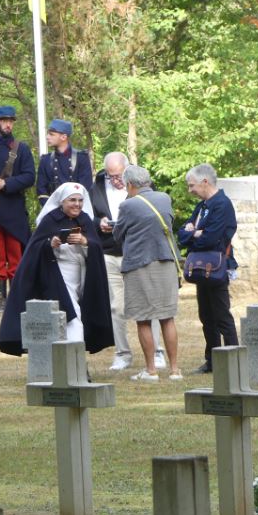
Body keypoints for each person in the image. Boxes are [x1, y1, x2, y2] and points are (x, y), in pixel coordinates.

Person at [0, 182, 114, 357]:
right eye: (72, 200)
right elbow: (34, 248)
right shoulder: (50, 219)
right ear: (62, 201)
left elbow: (95, 245)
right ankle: (75, 361)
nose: (77, 204)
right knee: (72, 316)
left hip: (83, 275)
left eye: (80, 200)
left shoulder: (85, 220)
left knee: (79, 313)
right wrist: (50, 244)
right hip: (59, 275)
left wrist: (85, 242)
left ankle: (70, 360)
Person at [92, 153, 165, 372]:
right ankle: (122, 354)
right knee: (116, 307)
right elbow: (88, 215)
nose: (115, 180)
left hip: (137, 253)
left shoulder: (141, 185)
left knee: (149, 304)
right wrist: (99, 222)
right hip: (109, 253)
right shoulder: (97, 186)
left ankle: (157, 352)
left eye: (118, 176)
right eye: (110, 176)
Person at [112, 165, 182, 381]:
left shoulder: (128, 205)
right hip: (166, 262)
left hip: (139, 264)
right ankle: (174, 370)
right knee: (167, 317)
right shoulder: (165, 198)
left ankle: (151, 370)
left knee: (143, 318)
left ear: (129, 184)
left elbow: (117, 234)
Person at [177, 163, 238, 374]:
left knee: (222, 316)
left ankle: (233, 360)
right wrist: (194, 233)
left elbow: (211, 239)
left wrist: (194, 233)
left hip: (217, 266)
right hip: (202, 268)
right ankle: (212, 361)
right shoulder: (202, 206)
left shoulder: (222, 204)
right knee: (206, 316)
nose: (190, 190)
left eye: (191, 185)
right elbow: (181, 234)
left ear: (205, 182)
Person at [0, 106, 35, 312]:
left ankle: (16, 299)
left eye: (11, 121)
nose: (8, 124)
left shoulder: (21, 148)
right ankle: (1, 301)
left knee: (15, 258)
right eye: (4, 121)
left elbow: (29, 176)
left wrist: (6, 183)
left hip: (14, 211)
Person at [36, 118, 93, 205]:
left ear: (63, 137)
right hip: (52, 210)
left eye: (51, 134)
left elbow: (85, 189)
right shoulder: (45, 160)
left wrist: (72, 207)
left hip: (77, 208)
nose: (47, 137)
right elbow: (41, 190)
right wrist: (53, 209)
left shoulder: (81, 158)